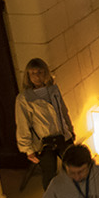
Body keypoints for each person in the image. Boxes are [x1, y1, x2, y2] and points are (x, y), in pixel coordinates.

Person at [16, 57, 75, 188]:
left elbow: (63, 112)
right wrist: (27, 149)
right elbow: (22, 125)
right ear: (28, 76)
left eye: (40, 72)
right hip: (44, 143)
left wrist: (70, 130)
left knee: (75, 167)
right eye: (33, 73)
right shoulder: (24, 99)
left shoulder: (53, 90)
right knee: (49, 176)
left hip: (62, 136)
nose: (37, 76)